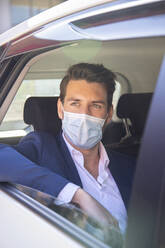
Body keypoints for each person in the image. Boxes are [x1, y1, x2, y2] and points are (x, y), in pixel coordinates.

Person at [0, 63, 135, 232]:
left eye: (96, 105)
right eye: (75, 103)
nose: (84, 114)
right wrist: (75, 194)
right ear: (60, 109)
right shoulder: (41, 148)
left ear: (108, 114)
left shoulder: (130, 166)